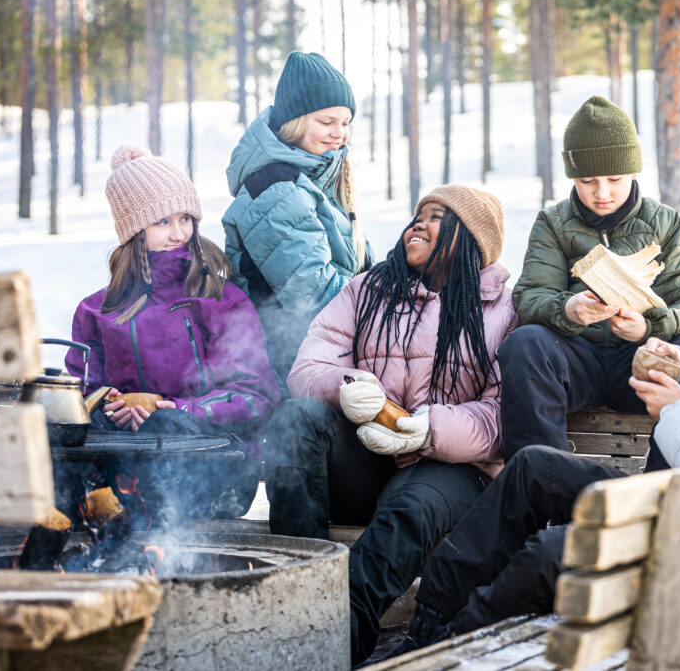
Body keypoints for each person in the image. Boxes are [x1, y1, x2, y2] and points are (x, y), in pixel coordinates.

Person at [392, 212, 680, 653]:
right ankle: (435, 616)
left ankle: (449, 645)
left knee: (556, 552)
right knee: (533, 469)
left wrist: (675, 411)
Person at [263, 185, 516, 664]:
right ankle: (295, 585)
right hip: (368, 457)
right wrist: (346, 387)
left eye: (438, 216)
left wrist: (430, 429)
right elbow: (306, 369)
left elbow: (502, 416)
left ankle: (328, 645)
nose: (419, 223)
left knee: (408, 510)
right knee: (295, 420)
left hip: (452, 469)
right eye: (418, 213)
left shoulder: (502, 308)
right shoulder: (368, 288)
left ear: (471, 239)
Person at [64, 144, 280, 521]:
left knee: (166, 424)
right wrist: (111, 403)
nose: (179, 233)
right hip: (127, 471)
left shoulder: (219, 298)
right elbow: (79, 394)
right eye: (162, 221)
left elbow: (256, 395)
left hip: (216, 469)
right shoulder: (97, 311)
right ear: (134, 230)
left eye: (186, 218)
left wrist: (177, 409)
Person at [500, 95, 680, 460]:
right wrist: (569, 309)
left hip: (642, 359)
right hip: (576, 359)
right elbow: (530, 297)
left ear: (633, 171)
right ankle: (542, 488)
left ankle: (661, 493)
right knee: (525, 343)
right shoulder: (553, 222)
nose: (602, 192)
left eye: (615, 178)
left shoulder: (665, 222)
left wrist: (648, 329)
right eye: (587, 180)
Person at [222, 51, 371, 384]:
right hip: (288, 364)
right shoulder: (275, 186)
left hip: (325, 352)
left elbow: (360, 267)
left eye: (345, 123)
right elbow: (314, 296)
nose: (339, 133)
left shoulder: (317, 178)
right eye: (326, 121)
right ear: (296, 121)